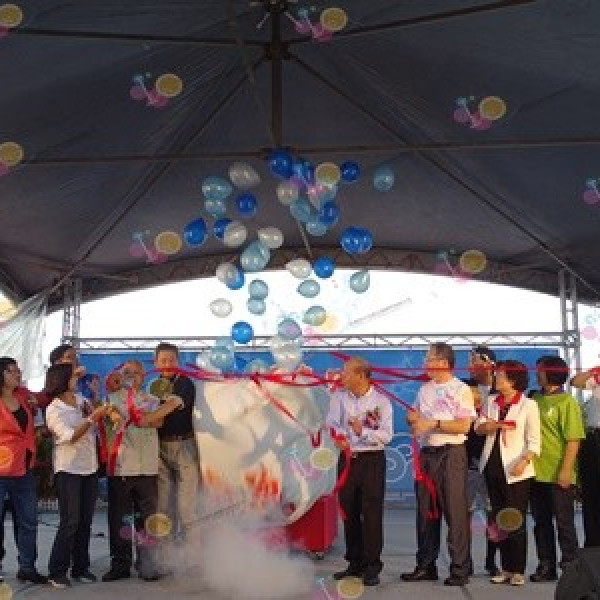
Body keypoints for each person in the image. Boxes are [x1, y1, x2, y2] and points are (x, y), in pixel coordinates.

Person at [101, 360, 184, 582]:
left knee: (146, 520)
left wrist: (158, 411)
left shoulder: (152, 399)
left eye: (135, 373)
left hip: (147, 468)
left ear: (144, 375)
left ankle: (147, 564)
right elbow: (128, 418)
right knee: (120, 520)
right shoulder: (112, 399)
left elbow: (157, 423)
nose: (131, 376)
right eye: (126, 372)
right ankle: (120, 565)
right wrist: (166, 407)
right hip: (121, 467)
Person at [401, 342, 475, 586]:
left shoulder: (460, 389)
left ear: (443, 363)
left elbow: (464, 426)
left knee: (454, 511)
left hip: (451, 454)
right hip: (427, 455)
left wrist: (432, 423)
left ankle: (460, 568)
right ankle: (426, 565)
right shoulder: (424, 389)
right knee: (425, 512)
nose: (425, 363)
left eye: (429, 358)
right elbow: (416, 418)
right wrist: (412, 419)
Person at [44, 363, 115, 589]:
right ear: (62, 380)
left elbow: (96, 421)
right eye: (73, 377)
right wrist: (92, 418)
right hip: (68, 469)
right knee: (70, 521)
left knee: (85, 521)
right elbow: (69, 436)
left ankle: (81, 567)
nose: (77, 381)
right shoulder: (54, 409)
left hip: (89, 467)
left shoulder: (81, 400)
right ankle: (57, 571)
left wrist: (100, 409)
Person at [326, 357, 393, 587]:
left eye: (346, 373)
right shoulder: (339, 397)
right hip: (347, 460)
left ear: (361, 376)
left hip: (371, 460)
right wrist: (339, 436)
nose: (342, 376)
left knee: (371, 514)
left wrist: (361, 431)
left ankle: (372, 566)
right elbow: (332, 423)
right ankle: (354, 563)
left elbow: (386, 436)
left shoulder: (381, 402)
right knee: (349, 512)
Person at [475, 360, 540, 586]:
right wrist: (490, 426)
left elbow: (534, 441)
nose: (497, 379)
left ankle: (518, 569)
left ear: (513, 380)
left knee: (515, 519)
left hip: (515, 469)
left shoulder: (528, 405)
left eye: (501, 376)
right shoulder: (491, 401)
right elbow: (478, 427)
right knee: (498, 519)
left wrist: (524, 461)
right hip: (492, 466)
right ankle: (505, 567)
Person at [529, 355, 585, 582]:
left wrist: (566, 471)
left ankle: (571, 567)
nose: (537, 373)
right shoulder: (533, 399)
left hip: (559, 472)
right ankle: (546, 565)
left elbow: (573, 439)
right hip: (536, 472)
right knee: (541, 523)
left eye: (540, 370)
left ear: (551, 372)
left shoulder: (567, 402)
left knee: (564, 523)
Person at [0, 357, 47, 584]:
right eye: (12, 371)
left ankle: (27, 567)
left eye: (18, 370)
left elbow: (46, 396)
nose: (17, 373)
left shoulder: (23, 396)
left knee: (29, 520)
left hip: (24, 467)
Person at [153, 343, 199, 540]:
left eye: (171, 360)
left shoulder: (185, 383)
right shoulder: (153, 386)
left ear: (178, 362)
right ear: (155, 363)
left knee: (187, 506)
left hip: (184, 447)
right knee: (163, 504)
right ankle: (166, 552)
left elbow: (172, 404)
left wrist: (147, 417)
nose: (167, 364)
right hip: (159, 448)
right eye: (163, 360)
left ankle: (193, 552)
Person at [463, 378, 498, 576]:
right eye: (469, 394)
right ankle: (465, 561)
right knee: (464, 518)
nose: (474, 398)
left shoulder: (487, 415)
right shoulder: (458, 417)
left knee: (492, 517)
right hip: (465, 473)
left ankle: (491, 561)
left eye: (476, 394)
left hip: (487, 473)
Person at [570, 365, 600, 547]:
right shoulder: (597, 378)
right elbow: (575, 382)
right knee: (590, 492)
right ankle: (593, 543)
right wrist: (594, 371)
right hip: (592, 437)